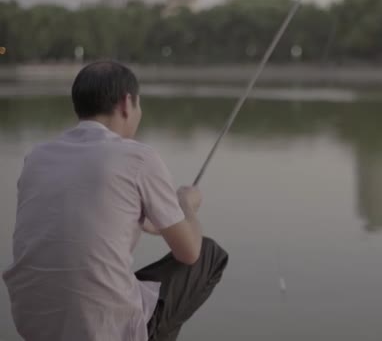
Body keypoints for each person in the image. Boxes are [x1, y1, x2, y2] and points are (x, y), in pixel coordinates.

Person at [2, 61, 229, 341]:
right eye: (139, 105)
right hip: (100, 330)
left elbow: (85, 214)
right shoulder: (138, 157)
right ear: (126, 102)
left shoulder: (37, 158)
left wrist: (152, 220)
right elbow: (189, 252)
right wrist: (185, 203)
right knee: (209, 253)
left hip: (34, 323)